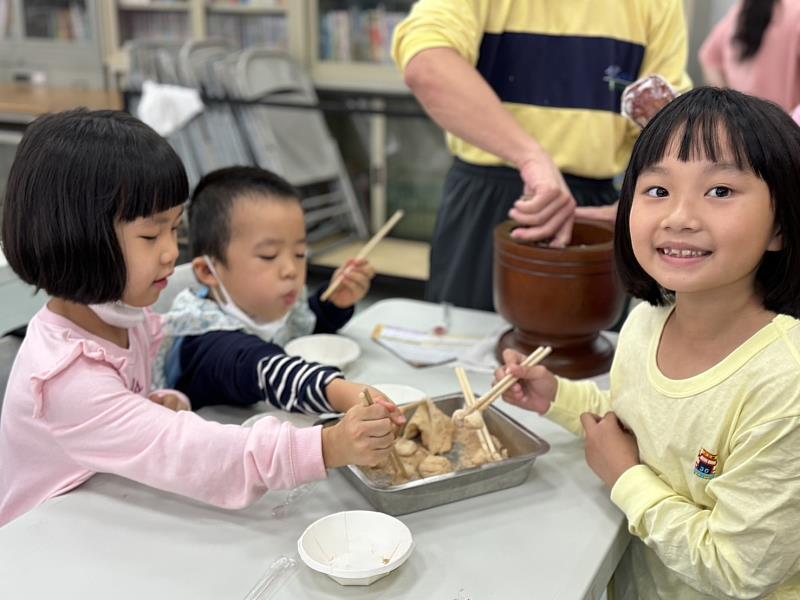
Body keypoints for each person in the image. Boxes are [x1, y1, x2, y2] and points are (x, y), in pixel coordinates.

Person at [0, 110, 398, 527]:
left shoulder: (126, 321)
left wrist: (159, 403)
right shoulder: (66, 379)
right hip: (44, 549)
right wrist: (327, 446)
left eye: (175, 229)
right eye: (151, 235)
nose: (172, 252)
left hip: (100, 521)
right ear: (78, 240)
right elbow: (195, 451)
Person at [497, 88, 800, 598]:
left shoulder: (784, 384)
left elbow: (739, 569)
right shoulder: (646, 320)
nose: (679, 216)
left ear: (781, 226)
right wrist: (559, 397)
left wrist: (624, 477)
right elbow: (641, 421)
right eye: (657, 190)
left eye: (720, 191)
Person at [392, 0, 691, 310]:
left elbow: (668, 120)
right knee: (465, 340)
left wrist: (643, 204)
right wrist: (530, 157)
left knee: (589, 346)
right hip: (488, 197)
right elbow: (427, 64)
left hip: (598, 208)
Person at [155, 166, 396, 419]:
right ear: (208, 271)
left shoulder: (265, 307)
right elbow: (269, 371)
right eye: (268, 256)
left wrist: (333, 304)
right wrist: (346, 394)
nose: (291, 270)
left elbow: (303, 330)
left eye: (300, 254)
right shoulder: (207, 341)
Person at [699, 0, 800, 113]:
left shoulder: (743, 9)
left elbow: (709, 59)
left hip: (741, 125)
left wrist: (728, 109)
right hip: (784, 126)